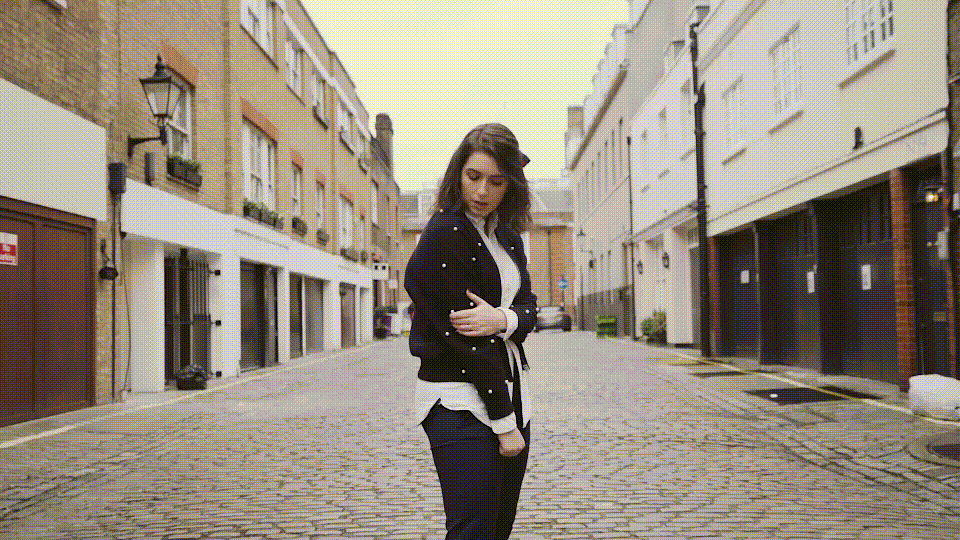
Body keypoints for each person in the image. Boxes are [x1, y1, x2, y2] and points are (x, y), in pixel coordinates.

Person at [404, 123, 537, 539]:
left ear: (510, 185)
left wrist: (503, 319)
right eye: (473, 177)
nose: (481, 191)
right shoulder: (444, 234)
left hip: (512, 396)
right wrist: (504, 423)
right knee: (473, 531)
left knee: (497, 529)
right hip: (459, 402)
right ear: (457, 174)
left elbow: (529, 308)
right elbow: (461, 343)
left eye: (496, 181)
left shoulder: (508, 237)